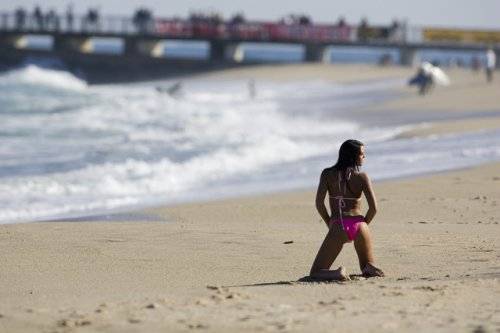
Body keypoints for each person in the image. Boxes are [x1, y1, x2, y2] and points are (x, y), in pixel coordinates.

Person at [309, 139, 384, 281]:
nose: (364, 157)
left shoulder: (327, 174)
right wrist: (363, 225)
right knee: (366, 267)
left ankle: (338, 273)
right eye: (362, 154)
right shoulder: (362, 177)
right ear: (353, 156)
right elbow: (374, 208)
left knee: (316, 273)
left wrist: (329, 222)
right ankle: (369, 267)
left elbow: (319, 203)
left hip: (339, 225)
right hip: (361, 226)